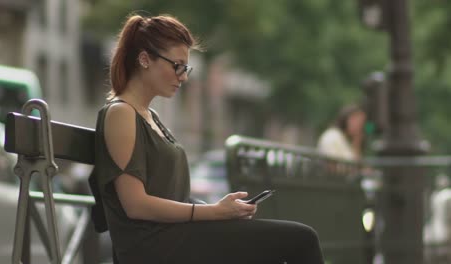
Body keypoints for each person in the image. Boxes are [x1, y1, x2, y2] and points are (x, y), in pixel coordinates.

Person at [90, 13, 324, 264]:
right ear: (145, 59)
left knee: (286, 241)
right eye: (177, 65)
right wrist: (212, 212)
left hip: (178, 236)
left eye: (186, 67)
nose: (184, 76)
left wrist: (222, 210)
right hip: (155, 247)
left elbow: (172, 194)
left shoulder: (150, 116)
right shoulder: (121, 113)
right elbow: (135, 205)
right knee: (301, 239)